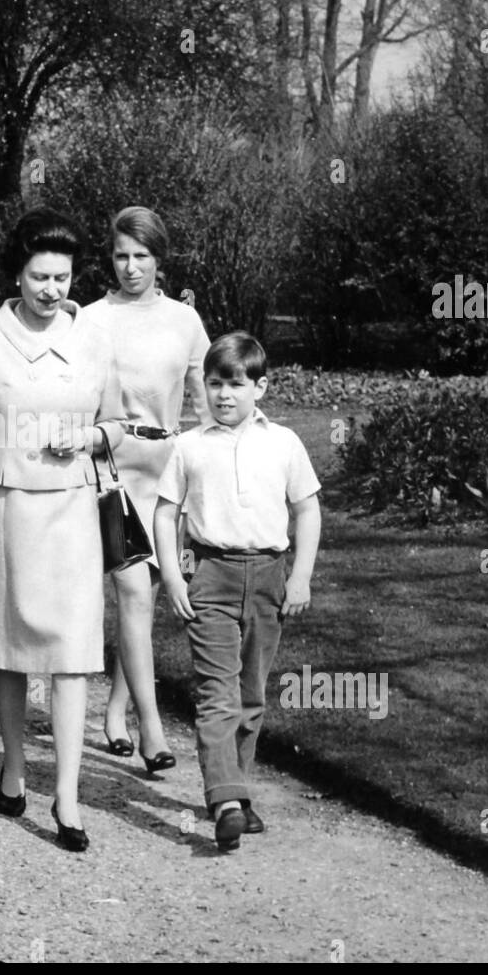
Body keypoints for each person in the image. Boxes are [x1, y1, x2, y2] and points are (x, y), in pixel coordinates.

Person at [0, 205, 125, 852]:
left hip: (70, 513)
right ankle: (15, 763)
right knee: (11, 649)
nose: (53, 290)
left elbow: (121, 423)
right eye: (40, 277)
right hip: (2, 511)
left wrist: (92, 434)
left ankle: (67, 795)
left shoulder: (94, 342)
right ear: (16, 276)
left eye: (63, 278)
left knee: (73, 657)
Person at [154, 332, 321, 852]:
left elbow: (308, 510)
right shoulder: (188, 445)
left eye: (236, 384)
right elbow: (165, 512)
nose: (224, 395)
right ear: (202, 388)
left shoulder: (284, 442)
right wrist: (173, 576)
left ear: (260, 387)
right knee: (216, 694)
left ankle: (238, 793)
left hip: (269, 577)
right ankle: (223, 801)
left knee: (251, 695)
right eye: (214, 384)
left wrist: (300, 575)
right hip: (212, 577)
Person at [83, 207, 208, 775]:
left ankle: (113, 713)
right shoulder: (87, 319)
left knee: (146, 603)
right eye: (120, 256)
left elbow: (204, 405)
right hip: (111, 469)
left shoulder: (185, 321)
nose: (131, 268)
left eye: (142, 257)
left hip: (167, 470)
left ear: (160, 260)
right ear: (109, 258)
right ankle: (152, 731)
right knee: (133, 594)